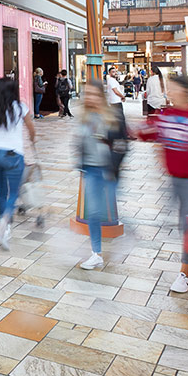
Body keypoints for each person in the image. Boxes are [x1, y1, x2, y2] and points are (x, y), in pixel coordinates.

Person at [136, 73, 188, 294]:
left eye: (172, 89)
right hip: (174, 179)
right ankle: (187, 258)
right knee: (176, 222)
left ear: (184, 91)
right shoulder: (167, 114)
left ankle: (184, 274)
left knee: (187, 225)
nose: (168, 93)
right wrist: (135, 131)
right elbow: (152, 134)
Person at [0, 76, 35, 250]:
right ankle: (5, 223)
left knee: (0, 190)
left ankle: (0, 222)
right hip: (14, 154)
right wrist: (31, 143)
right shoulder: (21, 108)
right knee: (13, 192)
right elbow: (31, 129)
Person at [77, 89, 122, 270]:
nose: (90, 98)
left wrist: (113, 167)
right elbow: (81, 143)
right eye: (87, 95)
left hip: (107, 171)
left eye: (94, 95)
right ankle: (96, 253)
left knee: (105, 209)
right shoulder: (85, 118)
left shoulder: (111, 117)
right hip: (91, 170)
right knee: (94, 213)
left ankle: (133, 233)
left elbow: (120, 144)